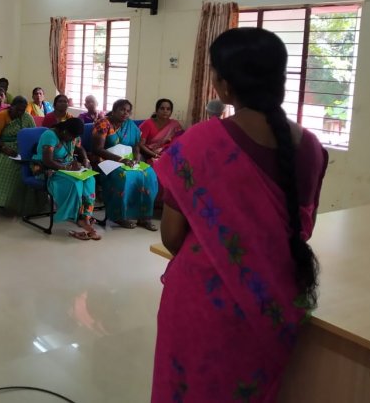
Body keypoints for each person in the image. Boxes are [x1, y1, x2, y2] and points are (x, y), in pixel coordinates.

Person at [152, 28, 328, 402]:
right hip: (278, 302)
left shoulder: (198, 144)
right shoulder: (311, 147)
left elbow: (171, 237)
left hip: (202, 304)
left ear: (224, 85)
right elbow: (301, 227)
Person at [90, 99, 159, 230]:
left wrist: (137, 158)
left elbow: (136, 146)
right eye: (122, 110)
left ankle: (144, 217)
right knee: (122, 175)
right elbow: (97, 149)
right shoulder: (104, 123)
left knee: (148, 174)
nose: (125, 113)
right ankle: (120, 216)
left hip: (127, 160)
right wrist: (120, 160)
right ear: (114, 110)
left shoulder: (130, 125)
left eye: (128, 111)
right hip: (104, 161)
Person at [32, 118, 99, 240]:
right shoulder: (50, 135)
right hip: (48, 169)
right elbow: (47, 160)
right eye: (72, 136)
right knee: (75, 183)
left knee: (90, 179)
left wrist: (85, 160)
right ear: (64, 131)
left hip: (69, 169)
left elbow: (80, 148)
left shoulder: (73, 136)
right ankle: (77, 217)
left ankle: (85, 216)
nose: (73, 139)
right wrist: (67, 167)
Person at [0, 96, 36, 211]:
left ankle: (26, 202)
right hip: (4, 147)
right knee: (9, 167)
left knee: (33, 165)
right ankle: (3, 201)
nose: (20, 113)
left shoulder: (27, 117)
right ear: (11, 107)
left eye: (23, 110)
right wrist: (5, 148)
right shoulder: (2, 116)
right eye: (18, 109)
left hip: (24, 149)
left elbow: (34, 135)